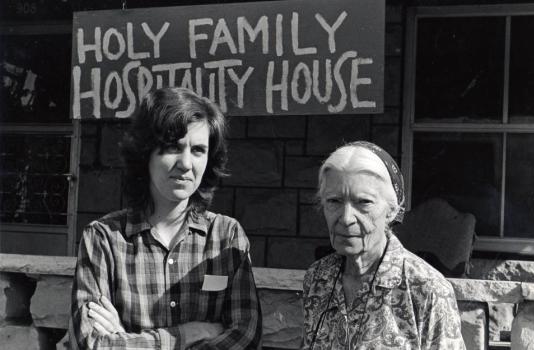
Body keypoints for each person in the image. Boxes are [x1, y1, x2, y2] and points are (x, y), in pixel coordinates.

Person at [70, 87, 262, 349]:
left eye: (198, 150)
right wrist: (189, 332)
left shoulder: (226, 237)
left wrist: (126, 339)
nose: (185, 163)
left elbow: (246, 336)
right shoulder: (103, 239)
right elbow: (93, 342)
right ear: (145, 152)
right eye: (173, 147)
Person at [302, 141, 466, 350]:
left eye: (363, 202)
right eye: (334, 201)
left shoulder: (426, 288)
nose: (346, 218)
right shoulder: (317, 279)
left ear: (391, 210)